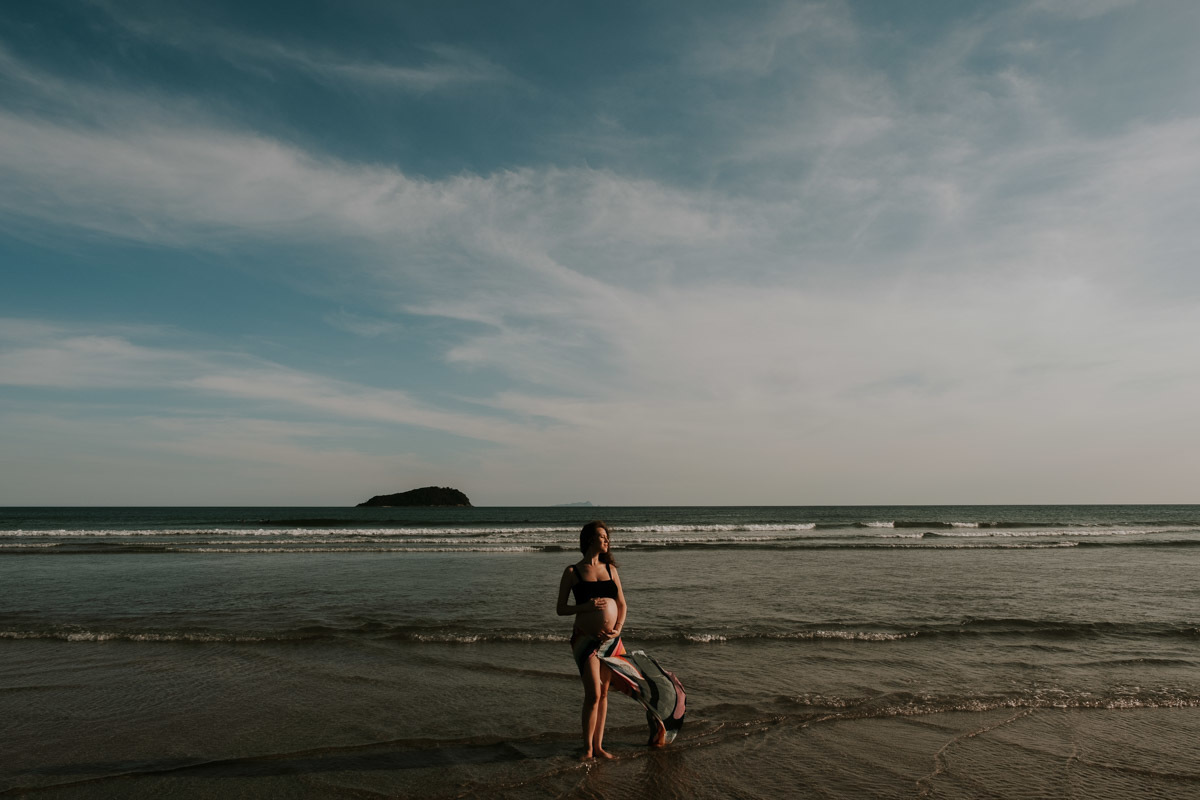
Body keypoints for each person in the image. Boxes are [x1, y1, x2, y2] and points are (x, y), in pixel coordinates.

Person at [557, 521, 686, 761]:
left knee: (604, 693)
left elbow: (623, 604)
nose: (606, 540)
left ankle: (598, 747)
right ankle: (586, 749)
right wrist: (585, 607)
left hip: (610, 642)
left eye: (607, 537)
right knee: (593, 694)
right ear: (589, 540)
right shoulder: (573, 572)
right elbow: (560, 608)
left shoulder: (610, 570)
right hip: (585, 641)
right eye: (602, 536)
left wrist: (617, 630)